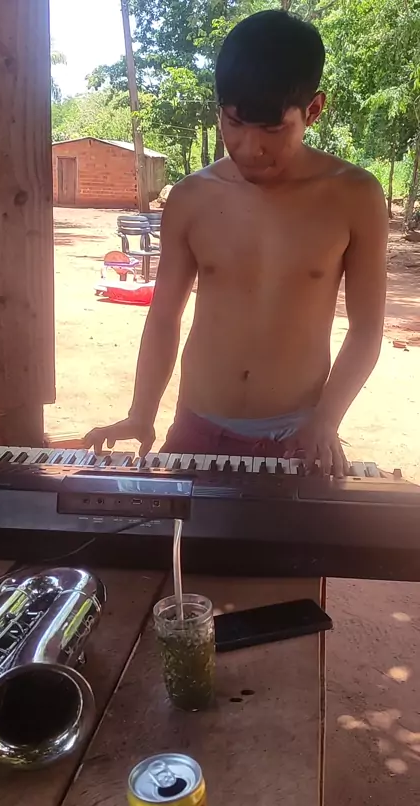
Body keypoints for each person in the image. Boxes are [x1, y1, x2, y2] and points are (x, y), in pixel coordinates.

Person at [85, 10, 388, 476]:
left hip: (299, 436)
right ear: (220, 110)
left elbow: (366, 329)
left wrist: (326, 420)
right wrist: (141, 413)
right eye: (235, 122)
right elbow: (164, 316)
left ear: (313, 110)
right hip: (196, 428)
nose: (249, 147)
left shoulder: (355, 197)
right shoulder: (191, 198)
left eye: (272, 130)